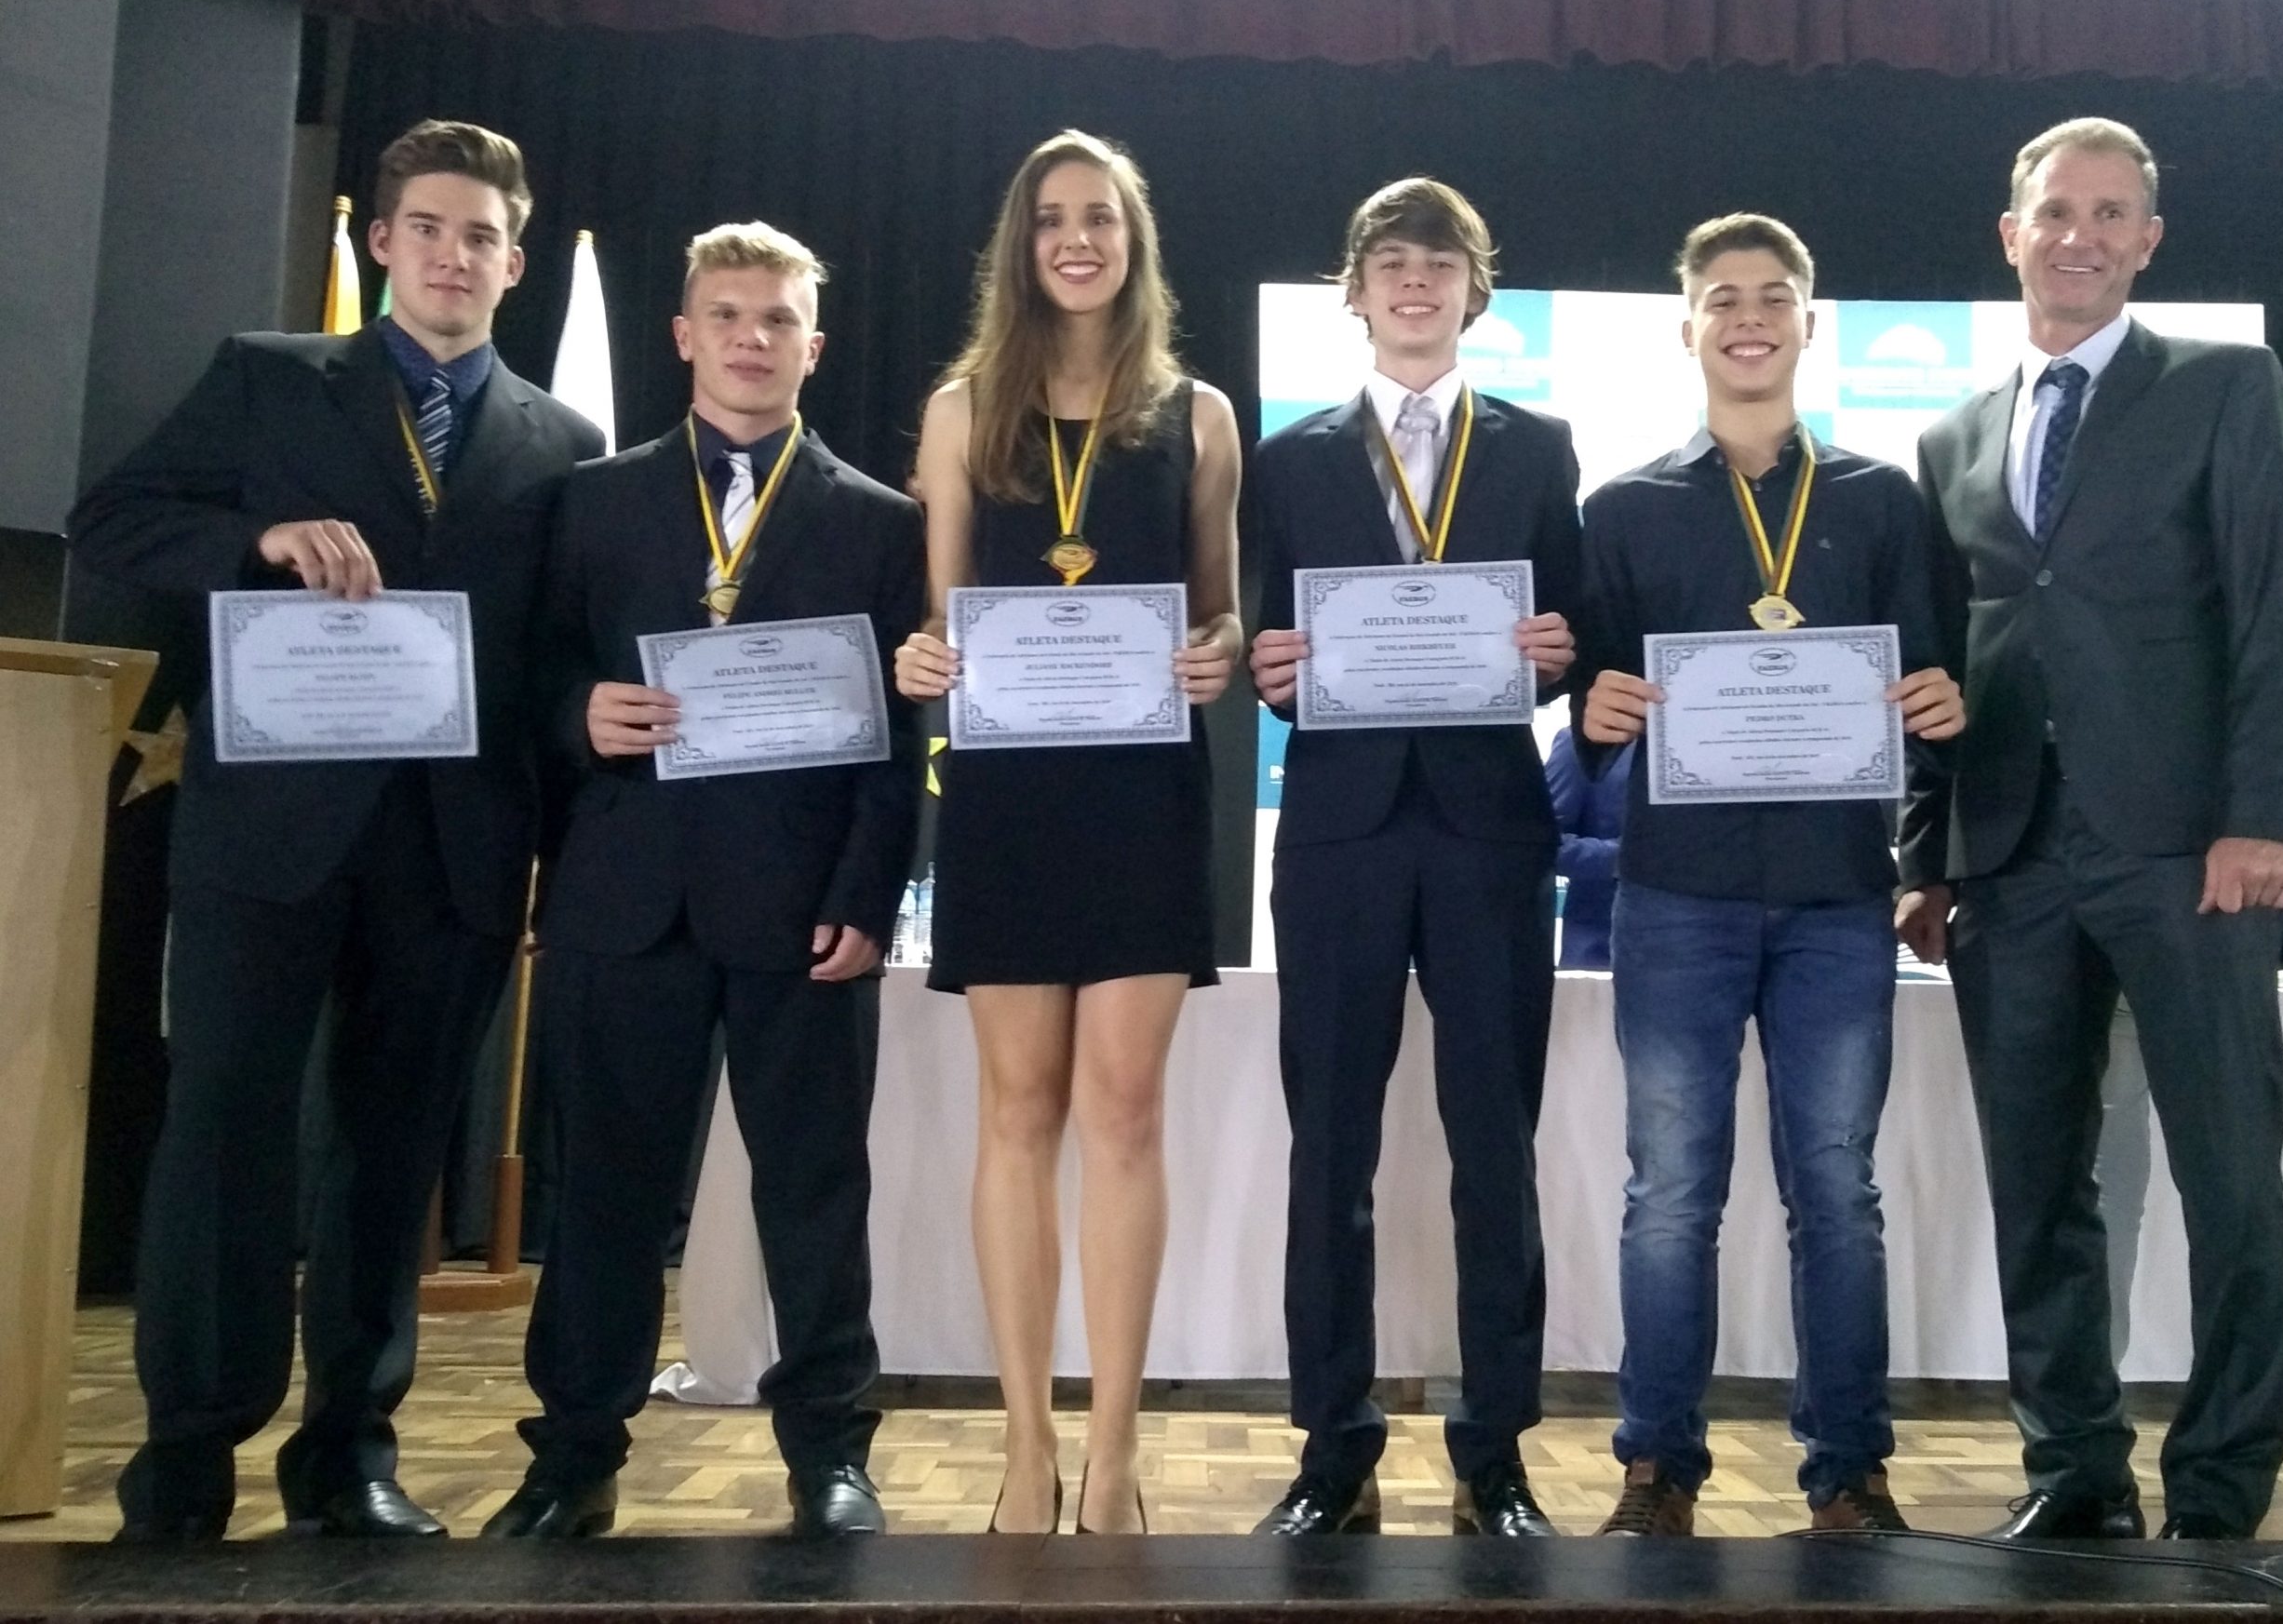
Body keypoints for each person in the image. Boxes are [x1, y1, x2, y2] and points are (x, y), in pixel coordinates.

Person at [67, 120, 605, 1540]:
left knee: (391, 1156)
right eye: (428, 228)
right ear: (381, 241)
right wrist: (257, 542)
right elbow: (111, 517)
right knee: (223, 1134)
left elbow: (557, 654)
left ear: (515, 262)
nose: (453, 256)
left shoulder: (564, 442)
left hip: (455, 849)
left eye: (481, 236)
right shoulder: (269, 377)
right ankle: (188, 1450)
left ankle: (350, 1453)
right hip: (267, 837)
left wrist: (562, 843)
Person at [1896, 117, 2283, 1541]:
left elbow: (2273, 613)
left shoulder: (2223, 386)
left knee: (2229, 1177)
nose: (2081, 234)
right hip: (2008, 858)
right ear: (2010, 235)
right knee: (2036, 1184)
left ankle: (2222, 1482)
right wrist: (1926, 857)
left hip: (2190, 850)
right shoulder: (1950, 436)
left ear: (2148, 240)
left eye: (2111, 212)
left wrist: (2261, 818)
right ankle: (2072, 1470)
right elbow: (1940, 662)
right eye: (2057, 212)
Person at [479, 224, 922, 1539]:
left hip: (805, 913)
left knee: (817, 1196)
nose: (750, 338)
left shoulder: (882, 521)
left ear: (813, 347)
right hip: (625, 899)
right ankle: (573, 1456)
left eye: (777, 319)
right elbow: (532, 675)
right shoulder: (593, 497)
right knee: (603, 1197)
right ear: (683, 335)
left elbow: (902, 736)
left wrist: (870, 893)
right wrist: (577, 716)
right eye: (726, 315)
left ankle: (830, 1457)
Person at [1574, 213, 1964, 1537]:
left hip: (1837, 897)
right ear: (1685, 326)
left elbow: (1936, 680)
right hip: (1674, 895)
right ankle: (1656, 1471)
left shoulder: (1882, 500)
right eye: (1724, 297)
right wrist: (1594, 708)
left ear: (1808, 321)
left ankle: (1849, 1471)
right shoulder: (1623, 507)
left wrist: (1941, 706)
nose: (1748, 318)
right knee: (1669, 1197)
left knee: (1838, 1193)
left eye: (1773, 296)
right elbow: (1591, 694)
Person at [891, 131, 1242, 1536]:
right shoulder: (962, 410)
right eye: (1050, 219)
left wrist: (1219, 651)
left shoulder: (1197, 413)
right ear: (1021, 245)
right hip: (1010, 797)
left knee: (1126, 1111)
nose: (1076, 239)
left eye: (1099, 216)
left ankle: (1113, 1451)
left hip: (1145, 798)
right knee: (1019, 1109)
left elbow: (1218, 606)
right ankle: (1026, 1443)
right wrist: (923, 658)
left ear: (1134, 239)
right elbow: (939, 616)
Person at [1242, 177, 1579, 1537]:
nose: (1416, 280)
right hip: (1339, 832)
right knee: (1329, 1147)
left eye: (1441, 262)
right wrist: (1268, 667)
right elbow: (1265, 639)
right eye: (1391, 260)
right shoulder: (1289, 458)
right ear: (1356, 290)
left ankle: (1495, 1452)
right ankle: (1333, 1446)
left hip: (1490, 830)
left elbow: (1573, 628)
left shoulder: (1540, 446)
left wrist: (1561, 651)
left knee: (1496, 1145)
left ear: (1474, 292)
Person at [1545, 736, 1632, 969]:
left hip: (1713, 946)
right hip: (1600, 949)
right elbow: (1543, 844)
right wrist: (1630, 857)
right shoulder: (1580, 742)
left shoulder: (1716, 742)